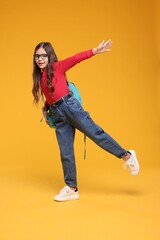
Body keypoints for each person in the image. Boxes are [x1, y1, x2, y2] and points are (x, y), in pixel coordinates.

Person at [32, 40, 140, 202]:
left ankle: (127, 155)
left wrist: (95, 50)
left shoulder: (57, 67)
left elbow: (75, 59)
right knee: (65, 152)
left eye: (43, 56)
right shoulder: (41, 78)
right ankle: (71, 188)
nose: (40, 59)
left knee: (96, 134)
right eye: (37, 56)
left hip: (70, 107)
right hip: (58, 114)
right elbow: (50, 96)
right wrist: (46, 111)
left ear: (50, 56)